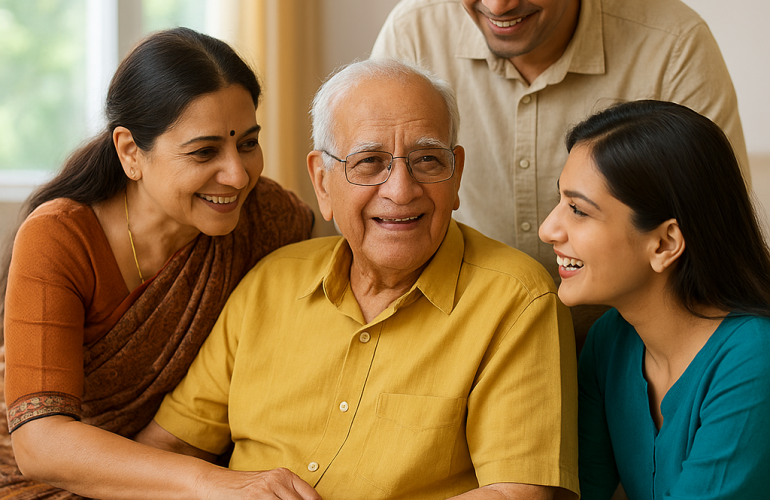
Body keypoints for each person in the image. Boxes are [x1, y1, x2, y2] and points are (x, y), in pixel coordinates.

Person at [137, 59, 580, 500]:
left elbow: (516, 494)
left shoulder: (518, 298)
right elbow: (171, 446)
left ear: (456, 172)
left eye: (427, 160)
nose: (401, 190)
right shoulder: (269, 281)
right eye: (369, 162)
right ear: (322, 182)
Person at [1, 28, 314, 498]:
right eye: (205, 151)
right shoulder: (60, 238)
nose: (237, 174)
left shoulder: (267, 218)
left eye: (248, 143)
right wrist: (213, 483)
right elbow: (40, 444)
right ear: (130, 152)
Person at [370, 0, 751, 341]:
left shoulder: (675, 43)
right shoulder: (413, 33)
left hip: (633, 348)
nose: (498, 6)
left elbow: (712, 236)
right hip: (464, 341)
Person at [538, 100, 770, 499]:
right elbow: (577, 493)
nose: (548, 230)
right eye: (561, 201)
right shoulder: (609, 341)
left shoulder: (756, 358)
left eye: (577, 210)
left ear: (665, 243)